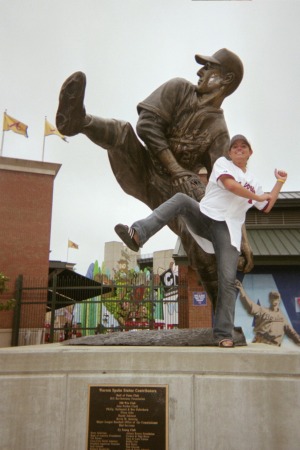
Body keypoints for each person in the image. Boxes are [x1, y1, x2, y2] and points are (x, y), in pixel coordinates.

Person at [56, 48, 253, 312]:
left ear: (226, 79)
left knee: (196, 227)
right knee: (122, 132)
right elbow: (145, 125)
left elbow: (228, 190)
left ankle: (222, 319)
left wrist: (242, 239)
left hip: (174, 194)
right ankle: (79, 121)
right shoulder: (178, 89)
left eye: (209, 68)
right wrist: (176, 169)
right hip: (145, 169)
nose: (200, 72)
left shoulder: (219, 133)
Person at [114, 135, 288, 347]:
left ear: (250, 152)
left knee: (227, 281)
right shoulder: (223, 164)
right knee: (180, 200)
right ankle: (138, 233)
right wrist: (260, 197)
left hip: (228, 232)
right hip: (206, 217)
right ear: (230, 153)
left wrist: (279, 182)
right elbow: (231, 186)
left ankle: (223, 334)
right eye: (235, 147)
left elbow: (267, 206)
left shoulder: (254, 183)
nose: (239, 149)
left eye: (244, 147)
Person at [235, 280, 300, 346]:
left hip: (274, 346)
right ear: (270, 299)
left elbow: (292, 333)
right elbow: (250, 305)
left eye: (276, 298)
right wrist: (242, 290)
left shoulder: (282, 317)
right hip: (261, 343)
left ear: (279, 300)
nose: (275, 300)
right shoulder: (262, 310)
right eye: (273, 298)